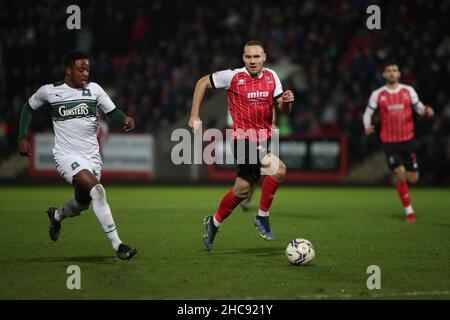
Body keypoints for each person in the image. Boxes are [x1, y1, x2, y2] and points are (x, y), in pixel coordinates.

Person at [18, 51, 137, 260]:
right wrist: (22, 137)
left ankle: (57, 216)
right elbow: (28, 108)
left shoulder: (94, 90)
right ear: (68, 70)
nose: (85, 74)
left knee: (82, 202)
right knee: (98, 191)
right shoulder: (50, 91)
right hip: (67, 155)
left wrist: (125, 119)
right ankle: (118, 245)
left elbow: (112, 112)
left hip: (92, 158)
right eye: (80, 69)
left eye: (87, 70)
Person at [189, 40, 294, 251]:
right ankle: (262, 217)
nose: (252, 61)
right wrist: (194, 115)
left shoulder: (272, 77)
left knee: (241, 191)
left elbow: (283, 110)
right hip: (242, 139)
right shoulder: (233, 76)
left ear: (264, 57)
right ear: (243, 58)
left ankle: (214, 222)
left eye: (256, 56)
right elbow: (202, 83)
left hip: (263, 140)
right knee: (279, 170)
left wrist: (287, 101)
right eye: (248, 57)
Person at [363, 60, 434, 223]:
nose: (392, 73)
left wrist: (426, 111)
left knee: (413, 178)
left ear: (399, 74)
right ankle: (409, 212)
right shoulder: (378, 94)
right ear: (384, 74)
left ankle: (405, 192)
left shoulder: (408, 91)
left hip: (407, 140)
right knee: (400, 175)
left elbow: (419, 108)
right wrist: (367, 126)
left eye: (395, 70)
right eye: (389, 70)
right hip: (390, 142)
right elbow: (367, 114)